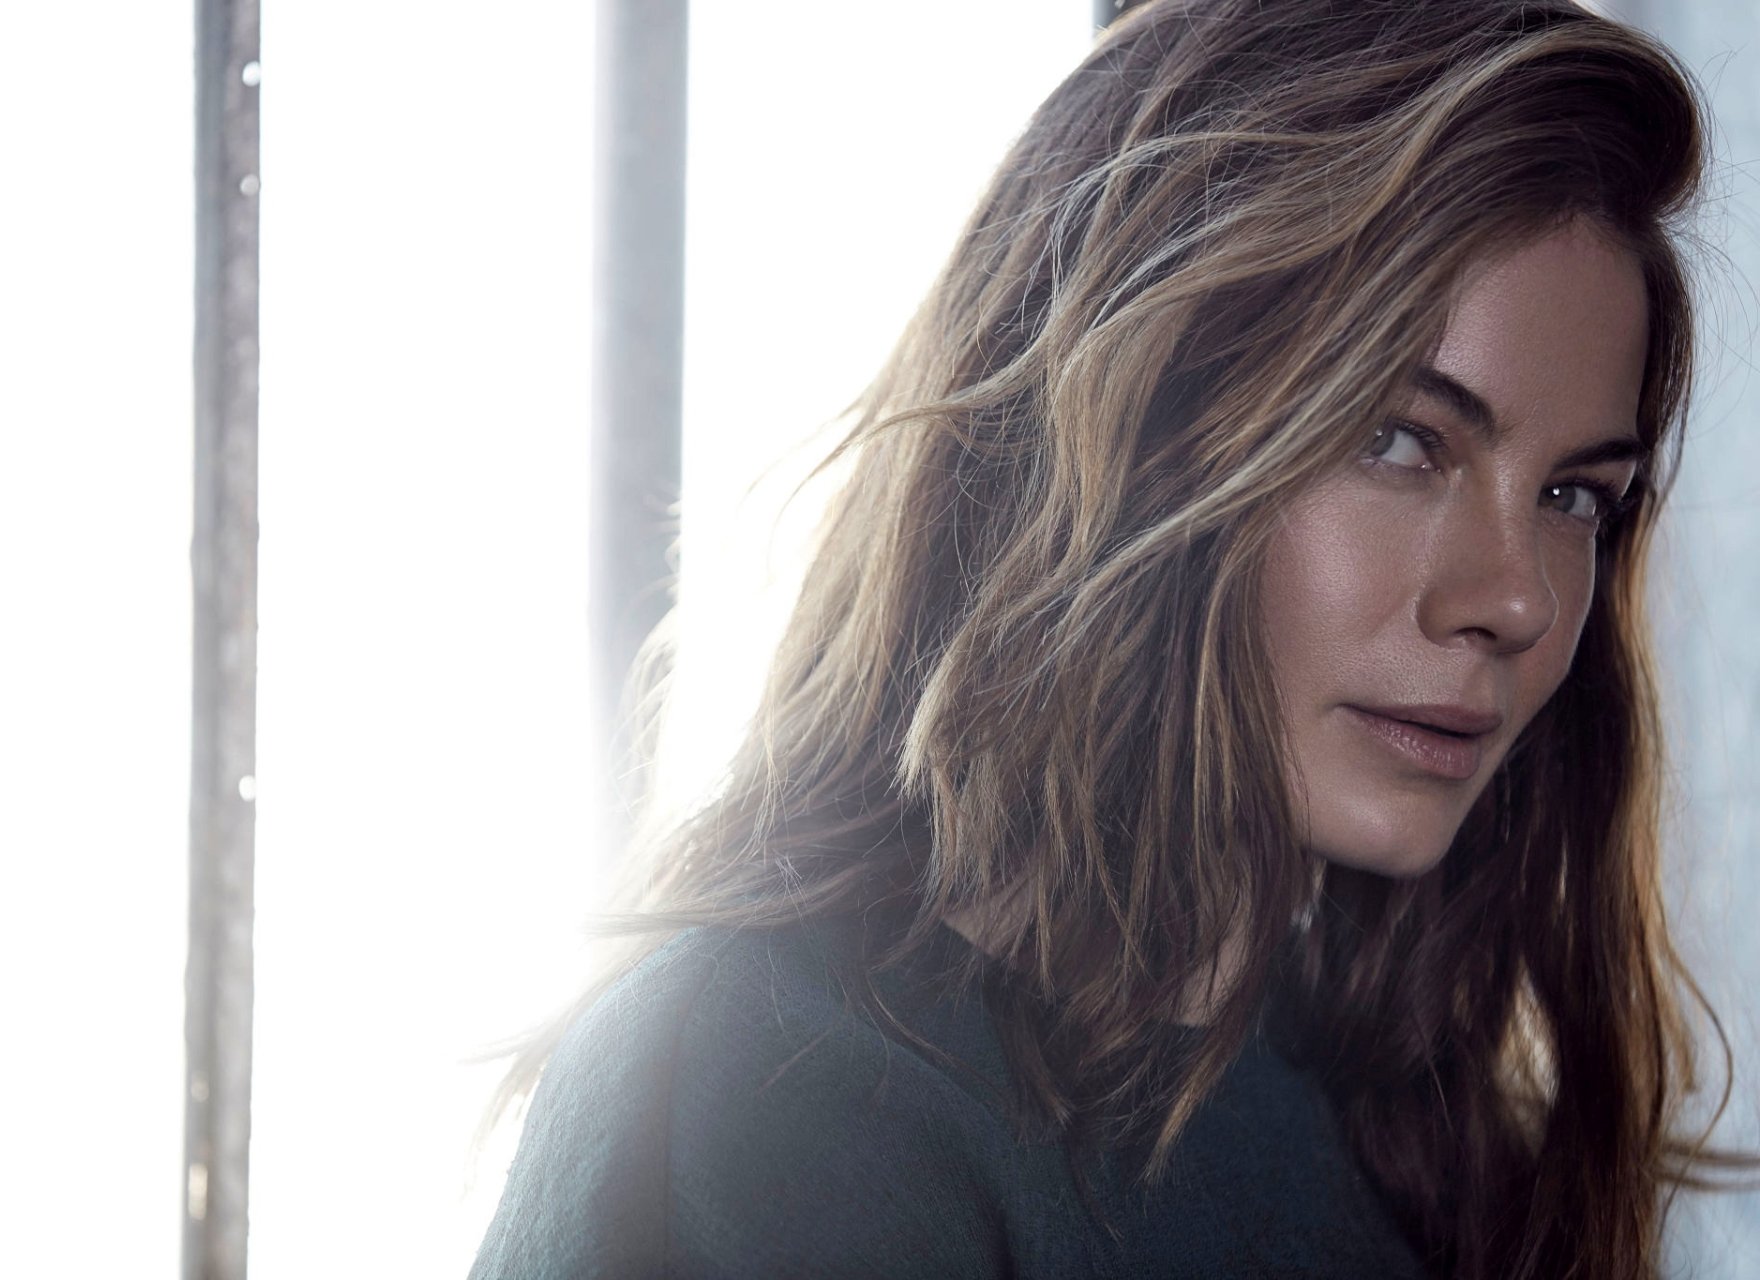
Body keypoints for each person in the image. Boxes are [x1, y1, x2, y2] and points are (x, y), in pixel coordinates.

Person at [472, 1, 1754, 1275]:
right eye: (1399, 438)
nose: (1521, 598)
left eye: (1574, 495)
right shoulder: (765, 1086)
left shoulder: (1438, 1143)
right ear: (1129, 424)